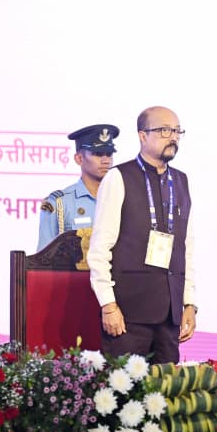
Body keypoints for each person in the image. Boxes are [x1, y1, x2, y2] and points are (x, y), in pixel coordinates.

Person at [88, 107, 197, 363]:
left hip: (169, 315)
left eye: (177, 131)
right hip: (128, 314)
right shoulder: (118, 177)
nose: (173, 137)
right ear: (142, 135)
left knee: (166, 386)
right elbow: (100, 248)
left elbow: (186, 248)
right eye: (164, 130)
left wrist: (189, 303)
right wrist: (108, 305)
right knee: (125, 386)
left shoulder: (181, 181)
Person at [37, 124, 119, 250]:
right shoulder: (58, 203)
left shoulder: (121, 199)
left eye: (109, 154)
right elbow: (44, 257)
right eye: (98, 154)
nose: (106, 161)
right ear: (79, 159)